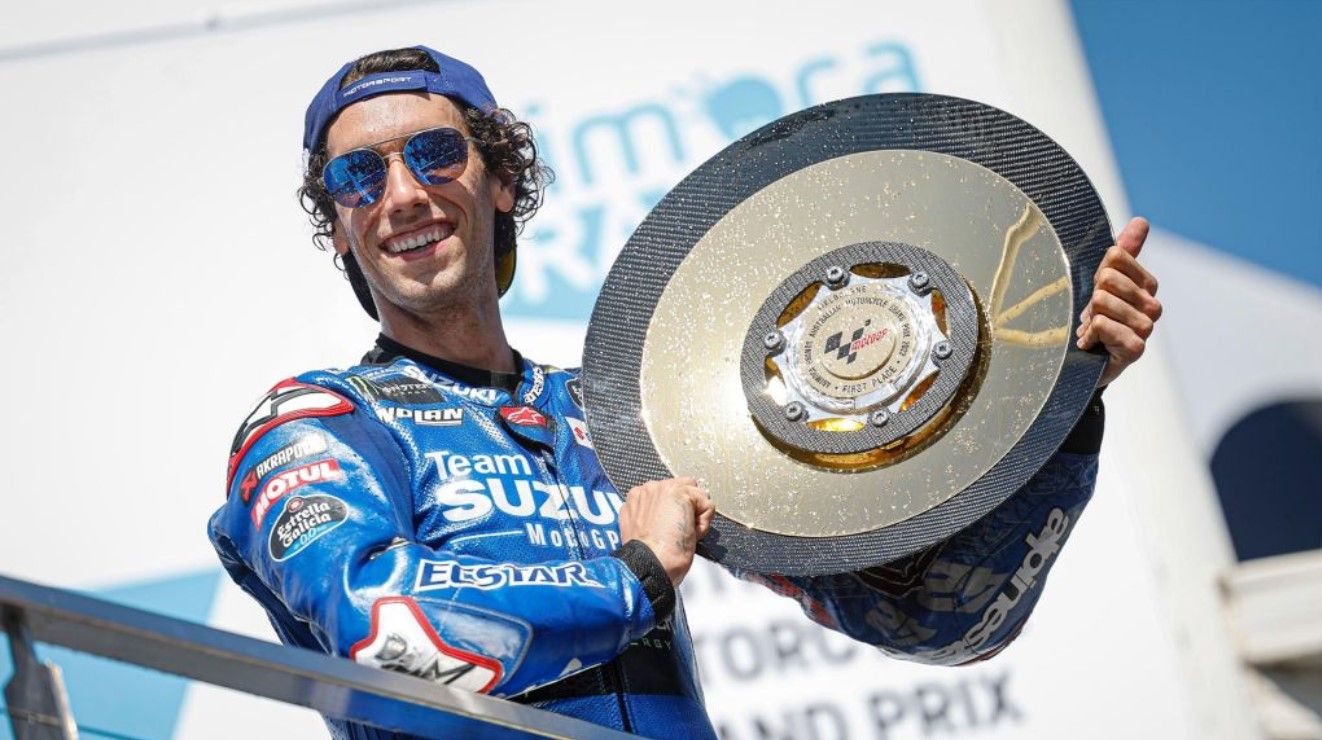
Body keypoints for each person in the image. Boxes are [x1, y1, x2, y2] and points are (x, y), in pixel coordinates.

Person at [209, 45, 1164, 739]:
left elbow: (936, 621)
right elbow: (379, 630)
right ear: (338, 226)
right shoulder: (317, 426)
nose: (402, 194)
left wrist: (1057, 396)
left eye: (434, 154)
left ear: (499, 179)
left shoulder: (628, 417)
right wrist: (632, 578)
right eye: (357, 176)